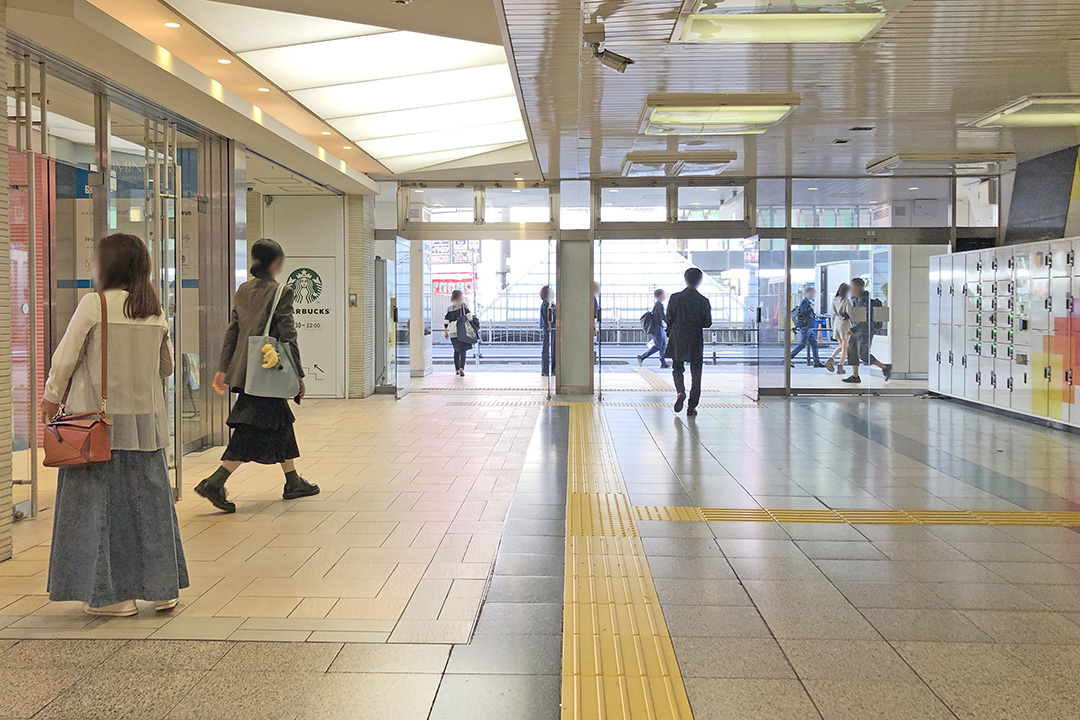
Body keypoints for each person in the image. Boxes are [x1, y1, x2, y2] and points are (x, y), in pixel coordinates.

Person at [42, 233, 188, 617]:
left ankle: (113, 597)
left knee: (100, 510)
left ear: (106, 266)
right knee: (151, 508)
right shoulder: (154, 311)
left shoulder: (95, 305)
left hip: (96, 428)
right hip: (146, 426)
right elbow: (166, 368)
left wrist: (51, 397)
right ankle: (162, 591)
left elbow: (64, 359)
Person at [196, 238, 319, 514]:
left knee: (280, 423)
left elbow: (233, 332)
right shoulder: (281, 292)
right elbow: (287, 336)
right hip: (268, 371)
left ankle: (293, 480)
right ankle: (216, 480)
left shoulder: (243, 290)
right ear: (275, 263)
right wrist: (298, 374)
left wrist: (224, 368)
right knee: (250, 429)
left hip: (246, 370)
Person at [665, 268, 712, 416]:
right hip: (695, 338)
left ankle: (680, 392)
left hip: (678, 337)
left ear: (685, 280)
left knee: (677, 367)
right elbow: (707, 322)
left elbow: (669, 318)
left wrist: (670, 331)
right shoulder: (703, 301)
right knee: (696, 372)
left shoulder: (675, 298)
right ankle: (692, 406)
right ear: (699, 281)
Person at [843, 277, 892, 384]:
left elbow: (864, 317)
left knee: (863, 354)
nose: (850, 289)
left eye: (852, 287)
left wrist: (853, 328)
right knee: (852, 351)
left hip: (864, 331)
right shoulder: (855, 300)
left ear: (857, 287)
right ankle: (855, 375)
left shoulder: (864, 300)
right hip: (857, 330)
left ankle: (885, 367)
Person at [444, 289, 478, 377]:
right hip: (461, 331)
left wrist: (446, 331)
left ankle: (456, 369)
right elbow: (469, 317)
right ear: (459, 297)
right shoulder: (463, 306)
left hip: (452, 332)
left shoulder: (449, 308)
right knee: (463, 350)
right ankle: (461, 368)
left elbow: (446, 321)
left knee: (456, 350)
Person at [790, 286, 825, 368]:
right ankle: (789, 357)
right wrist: (810, 310)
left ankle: (817, 361)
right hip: (806, 327)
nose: (813, 295)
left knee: (814, 344)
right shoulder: (804, 302)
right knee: (803, 343)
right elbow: (802, 311)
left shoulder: (807, 302)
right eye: (812, 293)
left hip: (809, 327)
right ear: (808, 293)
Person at [637, 288, 669, 368]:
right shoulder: (659, 305)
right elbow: (662, 316)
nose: (665, 296)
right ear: (660, 295)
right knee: (659, 345)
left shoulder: (657, 304)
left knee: (663, 345)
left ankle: (663, 362)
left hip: (659, 326)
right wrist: (669, 322)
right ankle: (642, 357)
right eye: (664, 294)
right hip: (657, 327)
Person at [826, 283, 852, 374]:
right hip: (844, 324)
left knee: (842, 346)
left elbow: (832, 314)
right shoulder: (846, 301)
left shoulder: (834, 300)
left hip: (836, 323)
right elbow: (850, 314)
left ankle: (831, 359)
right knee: (845, 347)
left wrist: (833, 326)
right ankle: (840, 366)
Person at [540, 285, 556, 377]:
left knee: (546, 350)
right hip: (549, 329)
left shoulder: (547, 304)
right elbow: (549, 319)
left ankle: (546, 370)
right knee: (550, 350)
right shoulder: (546, 306)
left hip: (547, 329)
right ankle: (550, 370)